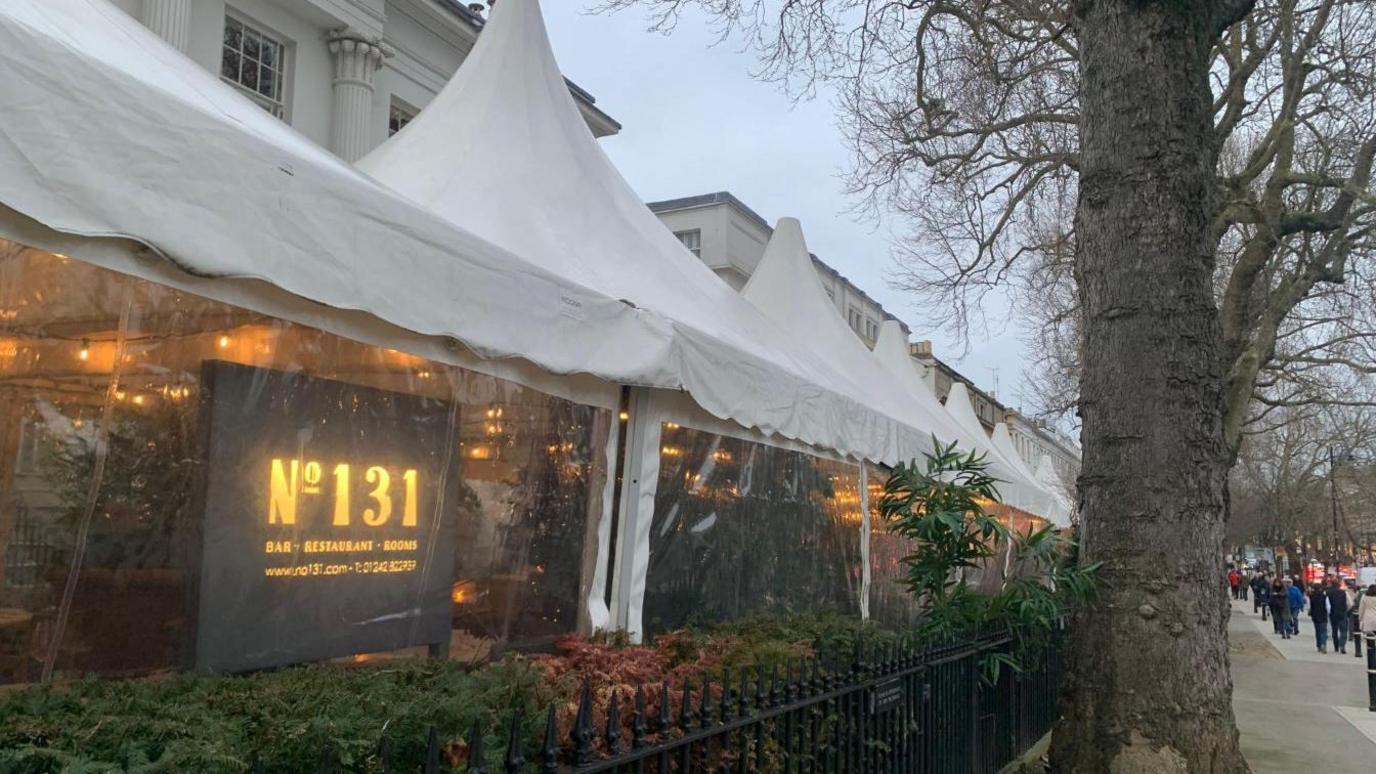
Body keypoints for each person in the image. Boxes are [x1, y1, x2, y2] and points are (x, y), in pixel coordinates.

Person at [1326, 578, 1350, 654]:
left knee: (1334, 630)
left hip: (1333, 614)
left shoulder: (1328, 592)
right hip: (1342, 613)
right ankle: (1342, 645)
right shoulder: (1343, 593)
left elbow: (1326, 604)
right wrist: (1346, 610)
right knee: (1343, 630)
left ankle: (1336, 647)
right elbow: (1349, 603)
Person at [1308, 582, 1329, 653]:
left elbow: (1310, 606)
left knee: (1318, 631)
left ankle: (1319, 645)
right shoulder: (1324, 596)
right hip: (1323, 615)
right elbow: (1328, 607)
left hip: (1315, 616)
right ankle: (1323, 644)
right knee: (1323, 631)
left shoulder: (1311, 596)